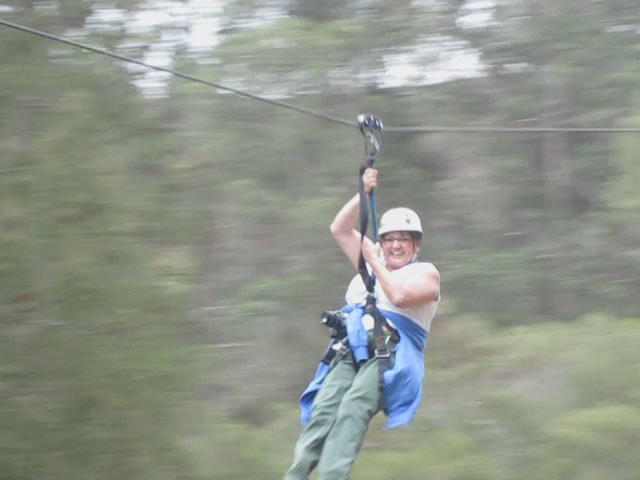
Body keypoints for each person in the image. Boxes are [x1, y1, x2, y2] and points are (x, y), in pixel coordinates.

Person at [283, 168, 441, 480]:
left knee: (353, 408)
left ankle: (332, 476)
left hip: (390, 354)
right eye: (390, 239)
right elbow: (339, 229)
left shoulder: (425, 273)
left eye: (404, 240)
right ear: (381, 241)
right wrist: (363, 193)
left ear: (416, 245)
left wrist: (372, 260)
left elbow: (398, 296)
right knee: (324, 412)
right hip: (353, 348)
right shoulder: (374, 257)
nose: (396, 246)